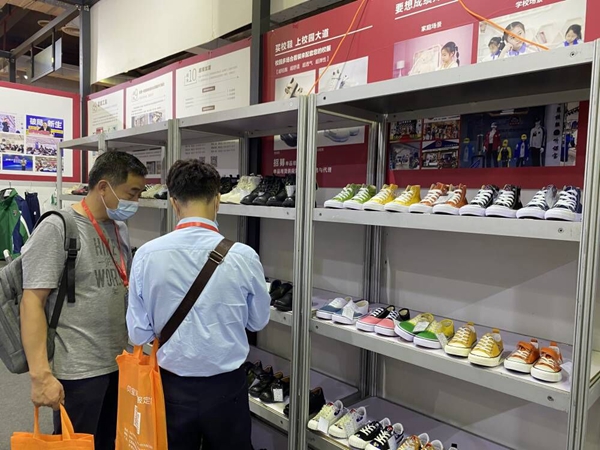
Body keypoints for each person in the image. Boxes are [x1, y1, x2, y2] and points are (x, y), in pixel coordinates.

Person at [127, 160, 271, 450]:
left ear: (173, 203)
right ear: (217, 200)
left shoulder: (146, 255)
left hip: (170, 386)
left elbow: (138, 334)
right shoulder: (244, 256)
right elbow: (257, 321)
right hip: (227, 387)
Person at [20, 151, 147, 450]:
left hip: (118, 363)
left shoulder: (119, 228)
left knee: (109, 442)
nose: (136, 202)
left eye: (139, 194)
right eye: (131, 193)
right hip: (77, 371)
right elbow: (32, 301)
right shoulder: (58, 227)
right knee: (76, 444)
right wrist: (41, 376)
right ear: (103, 187)